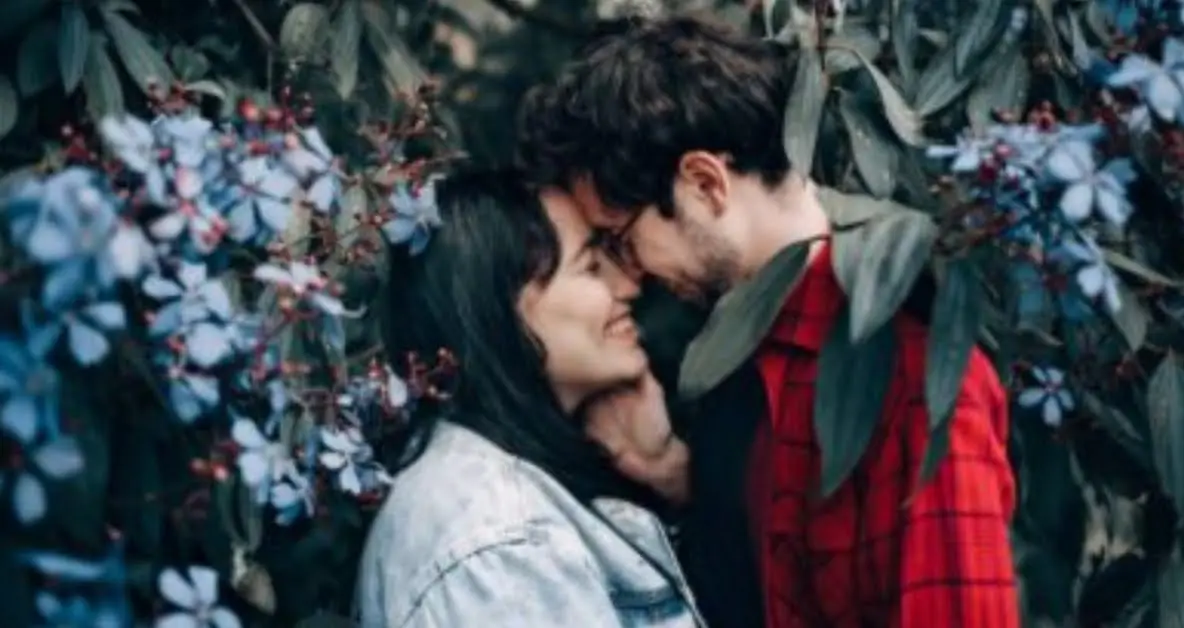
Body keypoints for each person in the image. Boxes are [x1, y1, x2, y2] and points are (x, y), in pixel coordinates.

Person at [516, 13, 1019, 628]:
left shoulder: (915, 379)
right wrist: (678, 481)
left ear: (704, 183)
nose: (630, 277)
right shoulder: (738, 364)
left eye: (621, 241)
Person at [355, 167, 702, 627]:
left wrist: (666, 473)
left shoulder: (512, 498)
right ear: (503, 309)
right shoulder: (501, 548)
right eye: (591, 266)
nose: (629, 287)